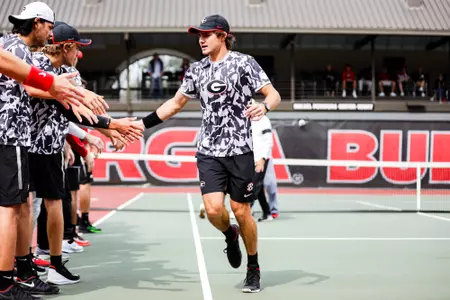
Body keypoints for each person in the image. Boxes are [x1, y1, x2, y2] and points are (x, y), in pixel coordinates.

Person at [134, 14, 281, 293]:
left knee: (241, 211)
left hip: (240, 150)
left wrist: (265, 107)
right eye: (198, 35)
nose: (201, 39)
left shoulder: (244, 63)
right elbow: (175, 104)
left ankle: (253, 267)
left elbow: (273, 94)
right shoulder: (196, 70)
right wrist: (141, 124)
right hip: (208, 150)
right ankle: (230, 235)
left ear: (223, 36)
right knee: (214, 211)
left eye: (207, 34)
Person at [250, 115, 274, 222]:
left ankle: (246, 209)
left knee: (255, 184)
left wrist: (263, 158)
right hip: (252, 158)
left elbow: (269, 142)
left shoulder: (264, 119)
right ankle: (267, 213)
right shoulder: (248, 119)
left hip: (262, 159)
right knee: (258, 185)